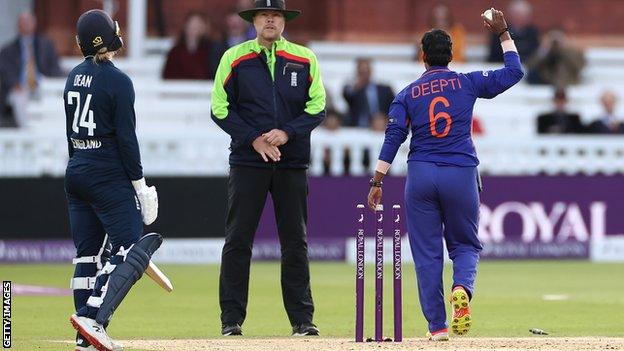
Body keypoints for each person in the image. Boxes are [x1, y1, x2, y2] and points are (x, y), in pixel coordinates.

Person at [367, 9, 524, 341]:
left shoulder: (407, 94)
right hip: (461, 172)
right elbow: (514, 72)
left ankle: (437, 327)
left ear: (423, 56)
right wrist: (503, 33)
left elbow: (393, 137)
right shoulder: (467, 83)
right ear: (451, 56)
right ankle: (462, 287)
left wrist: (377, 181)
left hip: (422, 175)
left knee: (427, 254)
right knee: (465, 245)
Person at [211, 0, 325, 337]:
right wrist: (254, 140)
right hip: (249, 161)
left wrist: (287, 132)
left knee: (295, 242)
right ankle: (231, 320)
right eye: (264, 15)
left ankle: (302, 321)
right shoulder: (234, 58)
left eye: (276, 15)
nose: (270, 20)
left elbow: (318, 105)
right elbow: (219, 107)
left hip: (291, 162)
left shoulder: (305, 58)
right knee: (238, 240)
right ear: (254, 21)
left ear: (284, 20)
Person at [64, 10, 160, 351]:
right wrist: (140, 186)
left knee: (86, 255)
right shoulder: (119, 81)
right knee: (130, 246)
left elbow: (70, 134)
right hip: (106, 174)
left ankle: (83, 338)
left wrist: (79, 166)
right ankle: (93, 319)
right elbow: (126, 140)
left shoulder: (73, 76)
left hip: (76, 170)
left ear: (81, 43)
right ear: (112, 37)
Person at [0, 11, 64, 127]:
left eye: (28, 22)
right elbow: (5, 72)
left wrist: (49, 80)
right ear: (18, 25)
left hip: (42, 86)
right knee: (19, 99)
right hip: (20, 88)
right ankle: (28, 132)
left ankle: (47, 131)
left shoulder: (46, 45)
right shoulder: (7, 50)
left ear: (34, 24)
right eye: (23, 22)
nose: (25, 25)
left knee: (54, 101)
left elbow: (55, 68)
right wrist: (15, 83)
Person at [162, 12, 224, 80]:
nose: (194, 28)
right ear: (185, 26)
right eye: (191, 24)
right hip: (179, 88)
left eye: (198, 25)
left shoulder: (210, 50)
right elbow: (168, 75)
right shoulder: (175, 51)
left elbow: (212, 73)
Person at [342, 57, 394, 128]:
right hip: (360, 127)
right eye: (362, 72)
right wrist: (357, 86)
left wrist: (384, 118)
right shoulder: (353, 90)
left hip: (382, 126)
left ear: (371, 71)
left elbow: (394, 108)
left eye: (366, 71)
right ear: (357, 73)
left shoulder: (385, 90)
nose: (364, 75)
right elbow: (347, 95)